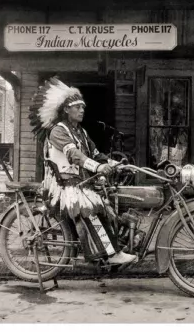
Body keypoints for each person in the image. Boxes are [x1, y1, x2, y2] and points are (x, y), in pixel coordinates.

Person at [29, 77, 137, 265]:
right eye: (77, 107)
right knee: (91, 208)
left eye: (83, 107)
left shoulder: (81, 132)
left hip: (79, 182)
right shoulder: (58, 131)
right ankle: (111, 254)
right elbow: (74, 155)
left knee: (109, 204)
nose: (82, 110)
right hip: (64, 185)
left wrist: (116, 164)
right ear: (66, 109)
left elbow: (95, 153)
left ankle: (114, 245)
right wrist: (98, 167)